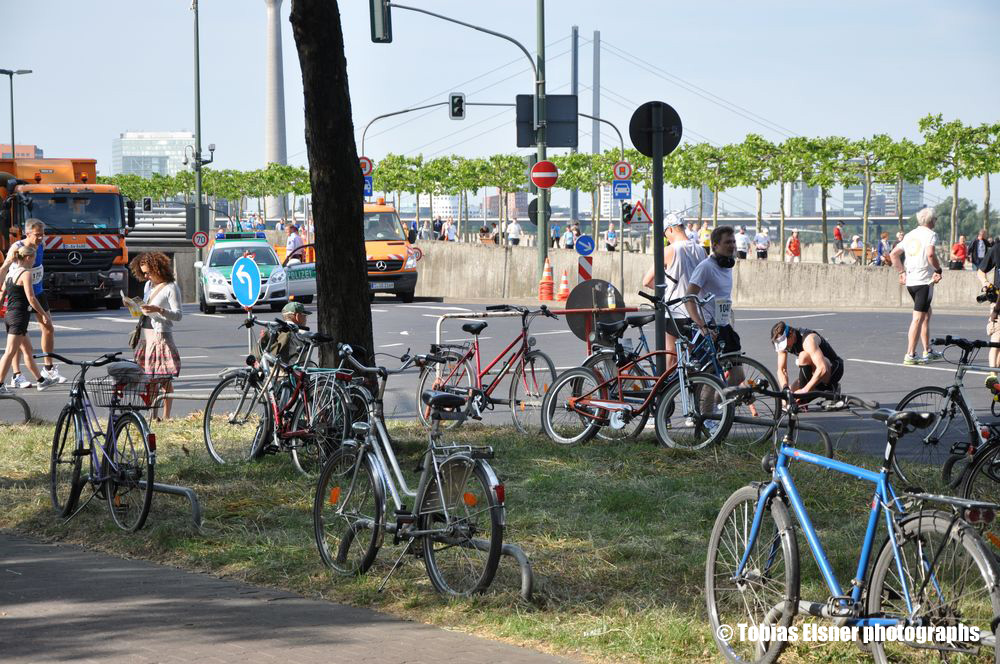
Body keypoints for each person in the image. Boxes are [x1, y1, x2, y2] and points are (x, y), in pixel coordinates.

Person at [0, 219, 64, 387]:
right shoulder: (17, 247)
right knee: (18, 336)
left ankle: (48, 368)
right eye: (37, 235)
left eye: (42, 234)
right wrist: (1, 290)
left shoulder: (41, 246)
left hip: (38, 290)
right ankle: (16, 375)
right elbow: (4, 268)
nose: (41, 238)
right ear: (27, 234)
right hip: (22, 294)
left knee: (48, 327)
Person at [642, 213, 706, 369]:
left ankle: (665, 390)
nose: (666, 238)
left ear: (670, 230)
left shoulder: (669, 250)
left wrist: (665, 290)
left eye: (665, 234)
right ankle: (688, 390)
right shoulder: (701, 250)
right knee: (693, 356)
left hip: (675, 311)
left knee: (670, 355)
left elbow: (647, 281)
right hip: (696, 312)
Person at [685, 226, 745, 390]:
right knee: (710, 382)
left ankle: (721, 405)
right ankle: (708, 414)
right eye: (727, 242)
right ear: (715, 245)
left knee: (738, 375)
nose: (732, 245)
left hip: (724, 326)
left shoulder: (726, 265)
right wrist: (702, 326)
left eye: (733, 241)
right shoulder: (706, 267)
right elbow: (689, 298)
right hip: (708, 330)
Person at [131, 252, 183, 419]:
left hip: (161, 336)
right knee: (150, 379)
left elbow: (178, 315)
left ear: (158, 269)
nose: (146, 276)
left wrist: (158, 310)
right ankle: (153, 416)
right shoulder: (149, 286)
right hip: (146, 335)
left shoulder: (171, 287)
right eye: (143, 273)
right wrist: (133, 307)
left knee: (165, 379)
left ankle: (166, 416)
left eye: (148, 272)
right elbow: (144, 311)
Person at [890, 207, 943, 365]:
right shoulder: (931, 235)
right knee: (918, 318)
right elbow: (931, 254)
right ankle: (910, 354)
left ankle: (927, 350)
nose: (936, 222)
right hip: (924, 281)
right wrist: (938, 270)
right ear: (931, 220)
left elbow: (894, 254)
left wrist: (901, 272)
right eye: (935, 219)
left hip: (911, 281)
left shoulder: (910, 234)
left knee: (926, 314)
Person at [0, 244, 54, 393]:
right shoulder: (26, 274)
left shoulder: (11, 274)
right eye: (34, 259)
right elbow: (31, 298)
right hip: (19, 316)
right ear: (28, 258)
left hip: (10, 315)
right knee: (10, 351)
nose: (34, 262)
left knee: (28, 349)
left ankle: (41, 380)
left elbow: (2, 294)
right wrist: (44, 314)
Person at [770, 322, 844, 398]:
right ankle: (824, 389)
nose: (785, 348)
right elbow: (782, 370)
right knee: (787, 399)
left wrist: (804, 391)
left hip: (833, 369)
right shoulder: (783, 345)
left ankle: (829, 387)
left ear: (791, 333)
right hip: (815, 370)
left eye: (785, 344)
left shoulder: (808, 340)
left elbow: (822, 368)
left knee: (803, 356)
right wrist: (785, 389)